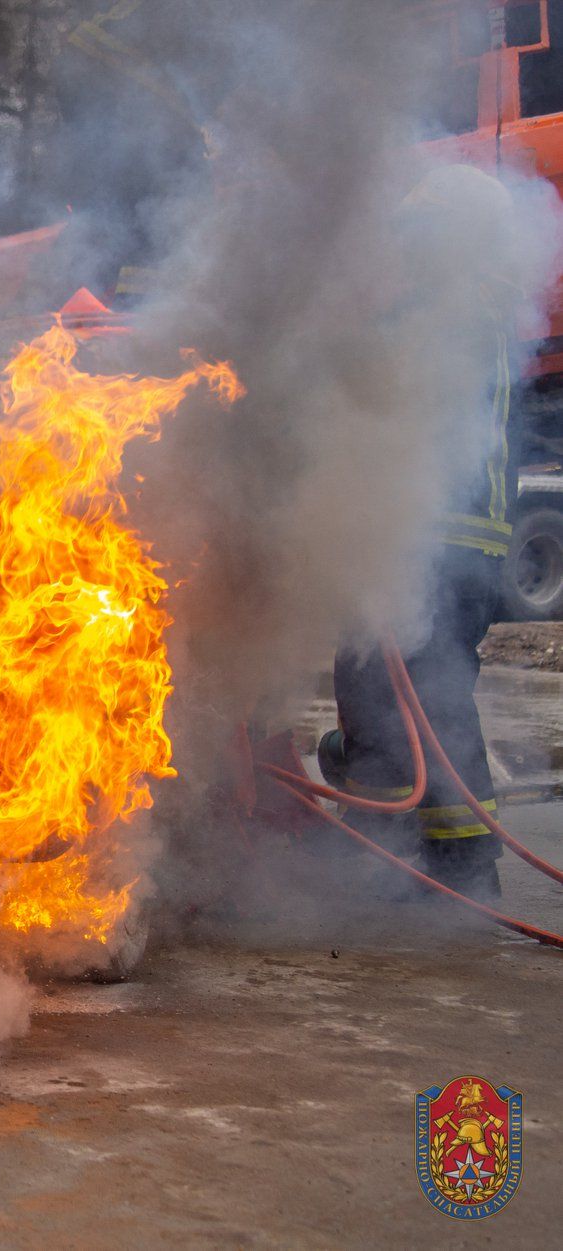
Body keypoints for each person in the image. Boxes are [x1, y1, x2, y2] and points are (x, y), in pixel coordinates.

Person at [318, 166, 521, 900]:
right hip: (444, 538)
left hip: (434, 538)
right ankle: (409, 852)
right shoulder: (469, 306)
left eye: (418, 236)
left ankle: (451, 866)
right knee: (402, 693)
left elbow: (376, 402)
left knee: (412, 698)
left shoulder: (448, 310)